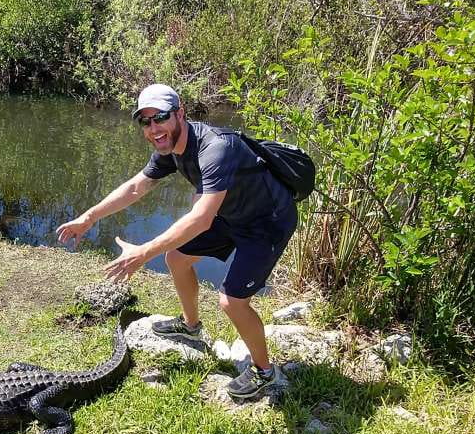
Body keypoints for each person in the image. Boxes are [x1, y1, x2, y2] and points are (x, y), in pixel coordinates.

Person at [56, 83, 298, 399]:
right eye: (145, 121)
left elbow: (201, 218)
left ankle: (265, 371)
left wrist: (143, 252)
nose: (154, 128)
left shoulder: (215, 147)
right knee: (177, 258)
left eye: (161, 117)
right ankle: (191, 326)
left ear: (180, 114)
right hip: (230, 213)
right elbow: (136, 188)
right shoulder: (169, 148)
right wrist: (88, 218)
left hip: (267, 222)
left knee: (232, 301)